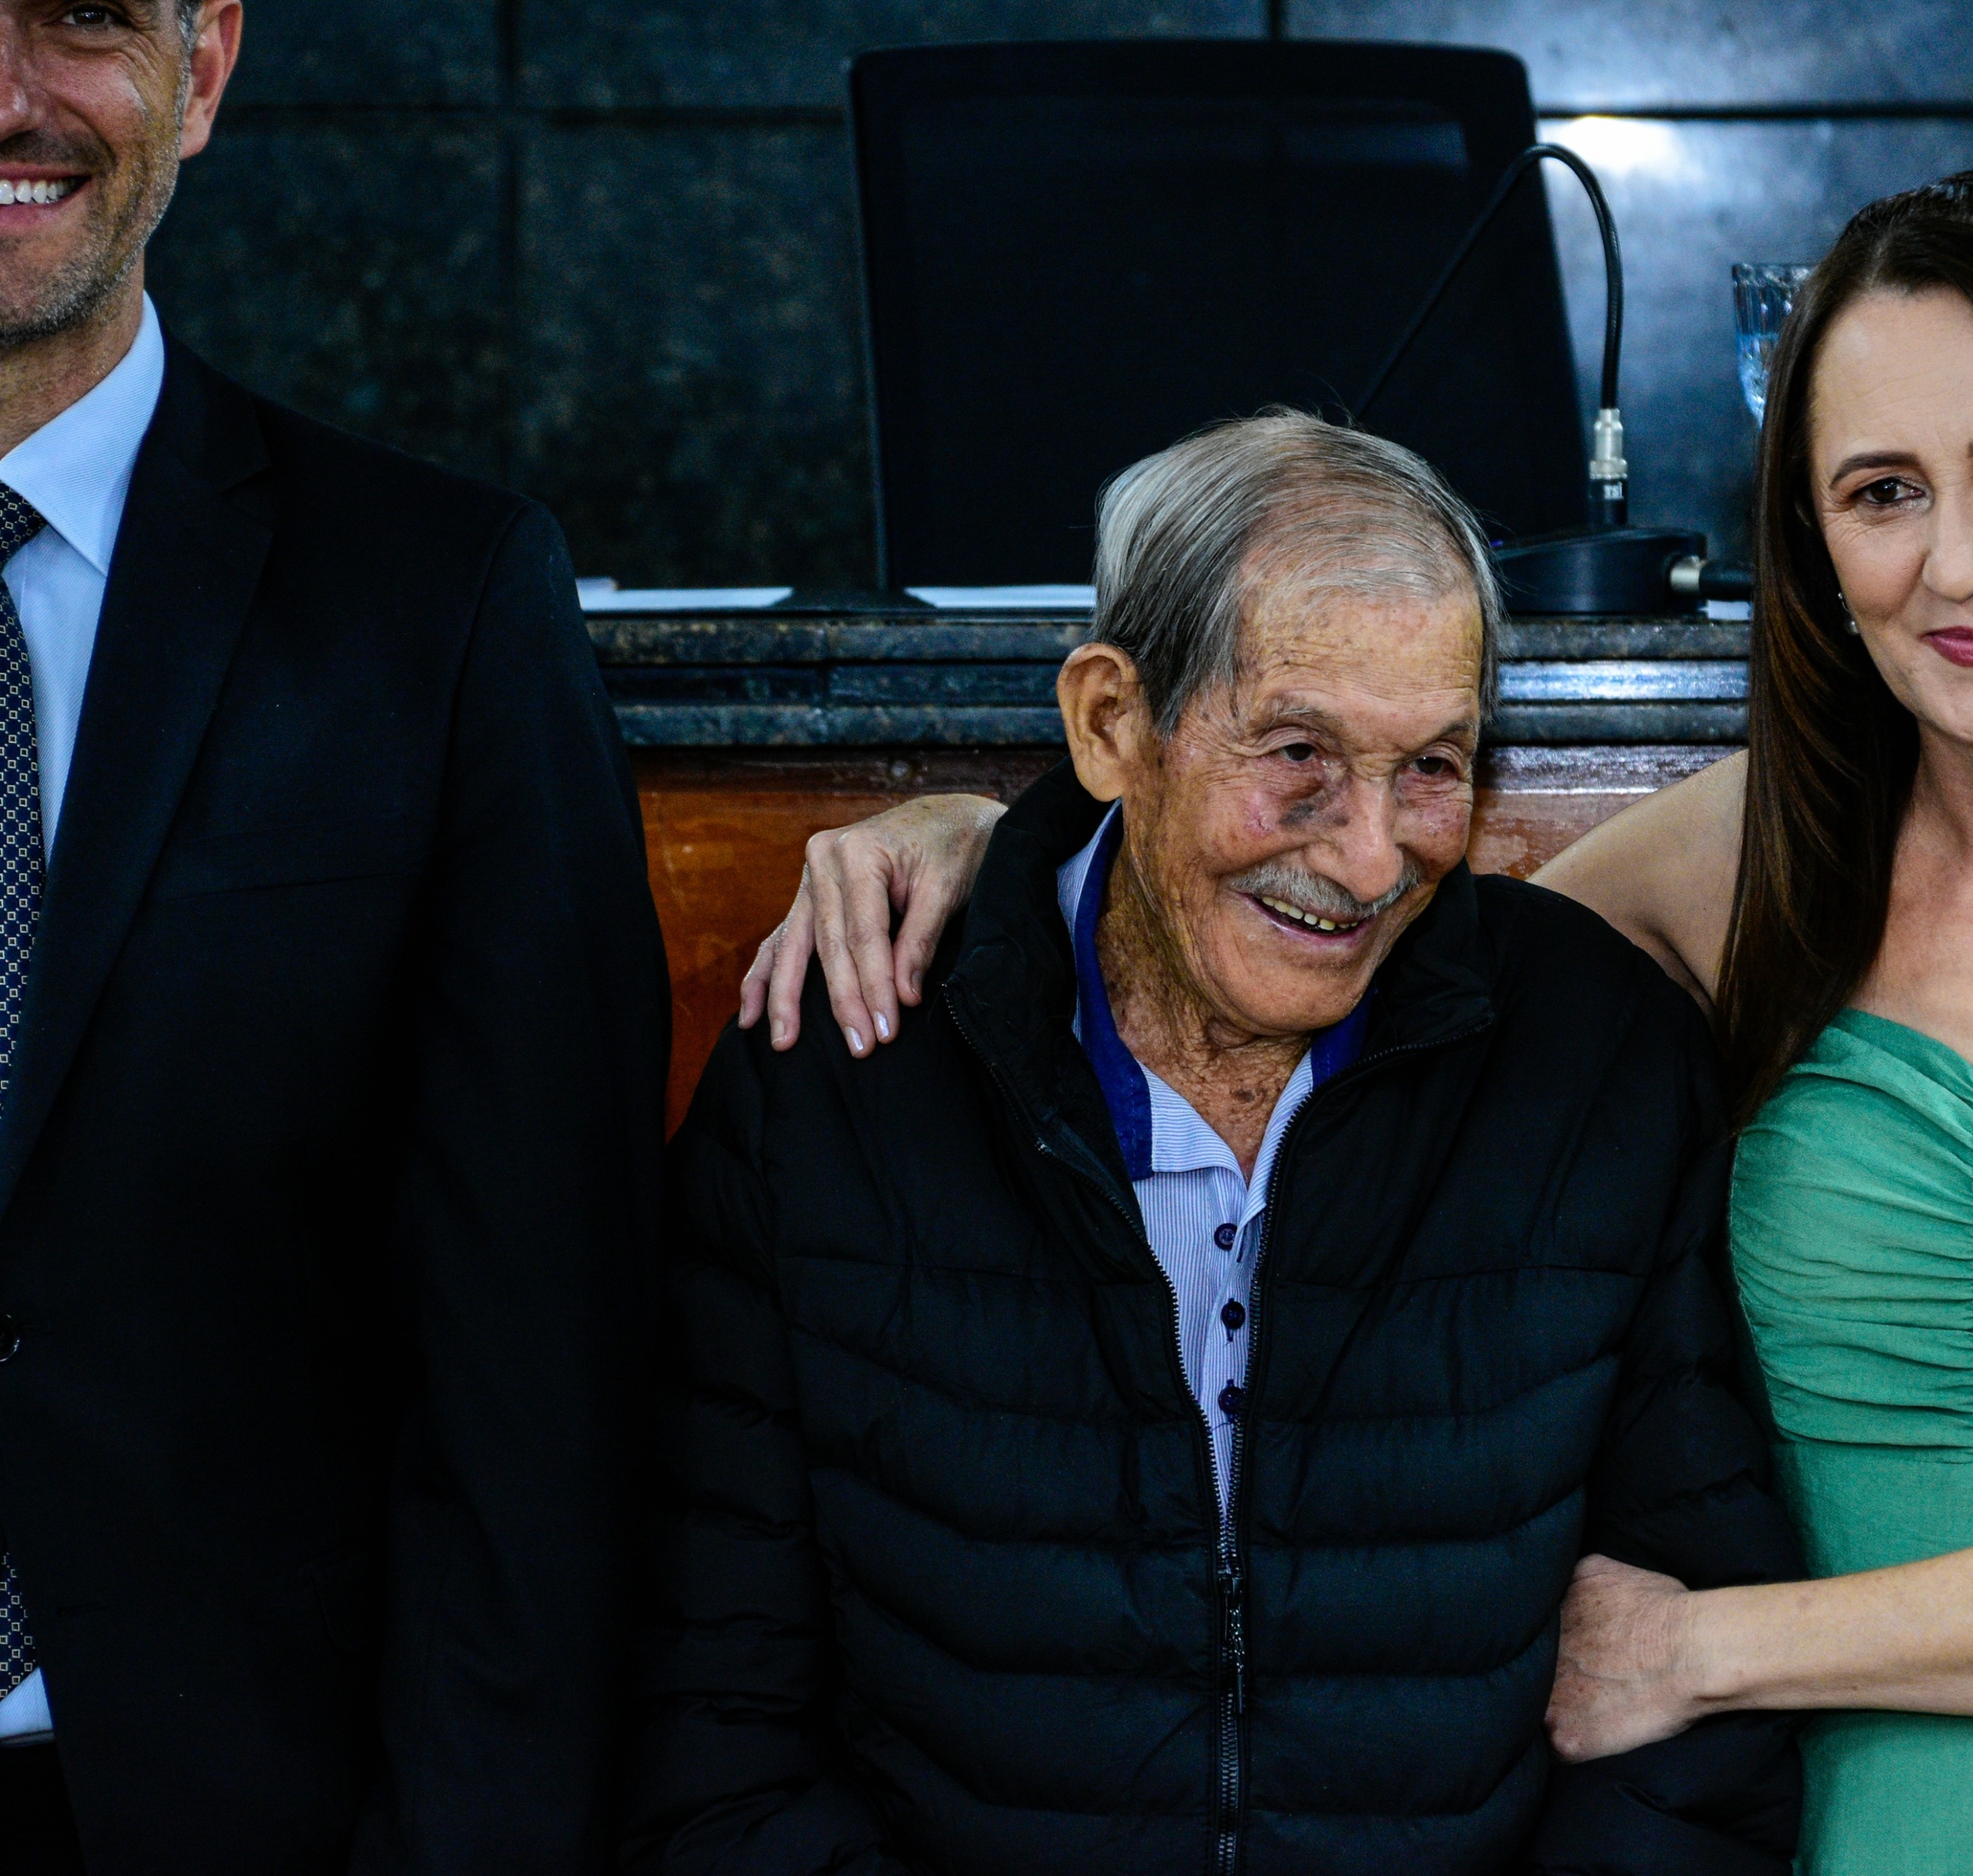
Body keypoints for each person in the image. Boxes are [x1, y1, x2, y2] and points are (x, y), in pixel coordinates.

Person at [746, 174, 1973, 1875]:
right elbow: (1349, 910)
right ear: (1815, 547)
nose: (1957, 563)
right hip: (1845, 1816)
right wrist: (997, 846)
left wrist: (1709, 1651)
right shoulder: (1737, 866)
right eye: (1881, 492)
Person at [626, 412, 1801, 1875]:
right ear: (1112, 724)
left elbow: (1695, 1718)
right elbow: (710, 1727)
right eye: (1298, 753)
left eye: (1432, 766)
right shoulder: (841, 1079)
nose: (1370, 857)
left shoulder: (1594, 1059)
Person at [0, 2, 671, 1869]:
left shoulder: (438, 609)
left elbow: (540, 1365)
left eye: (80, 13)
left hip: (238, 1818)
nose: (8, 95)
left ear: (204, 67)